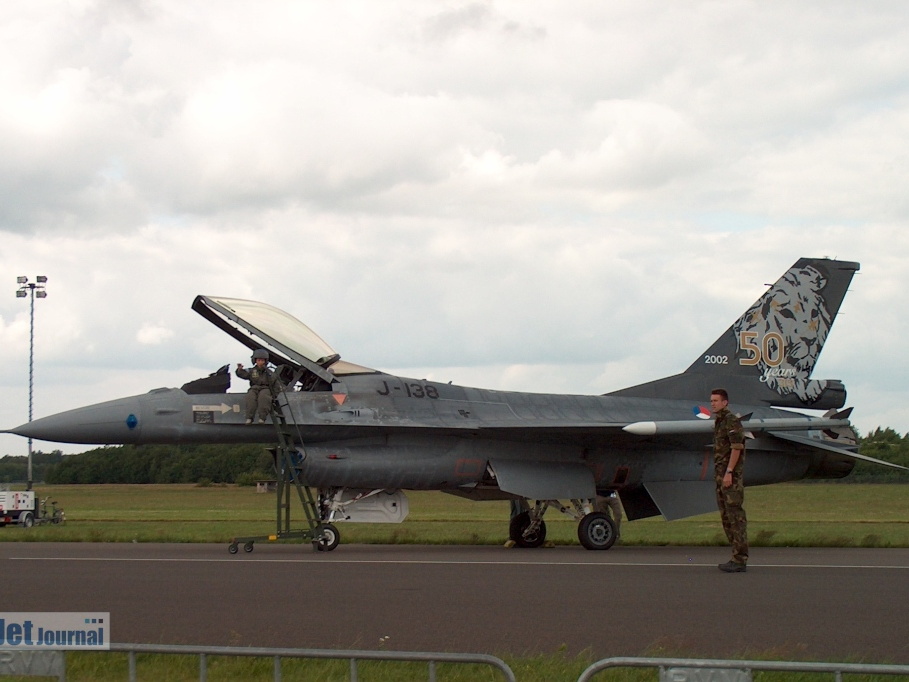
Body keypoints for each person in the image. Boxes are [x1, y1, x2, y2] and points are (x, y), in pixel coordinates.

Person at [710, 388, 748, 573]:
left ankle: (740, 559)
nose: (712, 404)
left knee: (735, 517)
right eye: (711, 401)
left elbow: (736, 447)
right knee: (726, 517)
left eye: (716, 401)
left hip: (730, 477)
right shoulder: (719, 421)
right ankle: (735, 557)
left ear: (725, 402)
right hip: (721, 476)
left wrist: (729, 472)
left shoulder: (731, 420)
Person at [236, 349, 282, 424]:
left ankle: (262, 417)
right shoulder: (252, 371)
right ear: (255, 361)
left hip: (265, 388)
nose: (260, 362)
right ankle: (249, 417)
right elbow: (243, 374)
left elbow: (276, 385)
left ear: (265, 361)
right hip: (254, 388)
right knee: (250, 397)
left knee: (263, 397)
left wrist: (274, 396)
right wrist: (239, 370)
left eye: (262, 360)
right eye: (258, 360)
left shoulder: (269, 373)